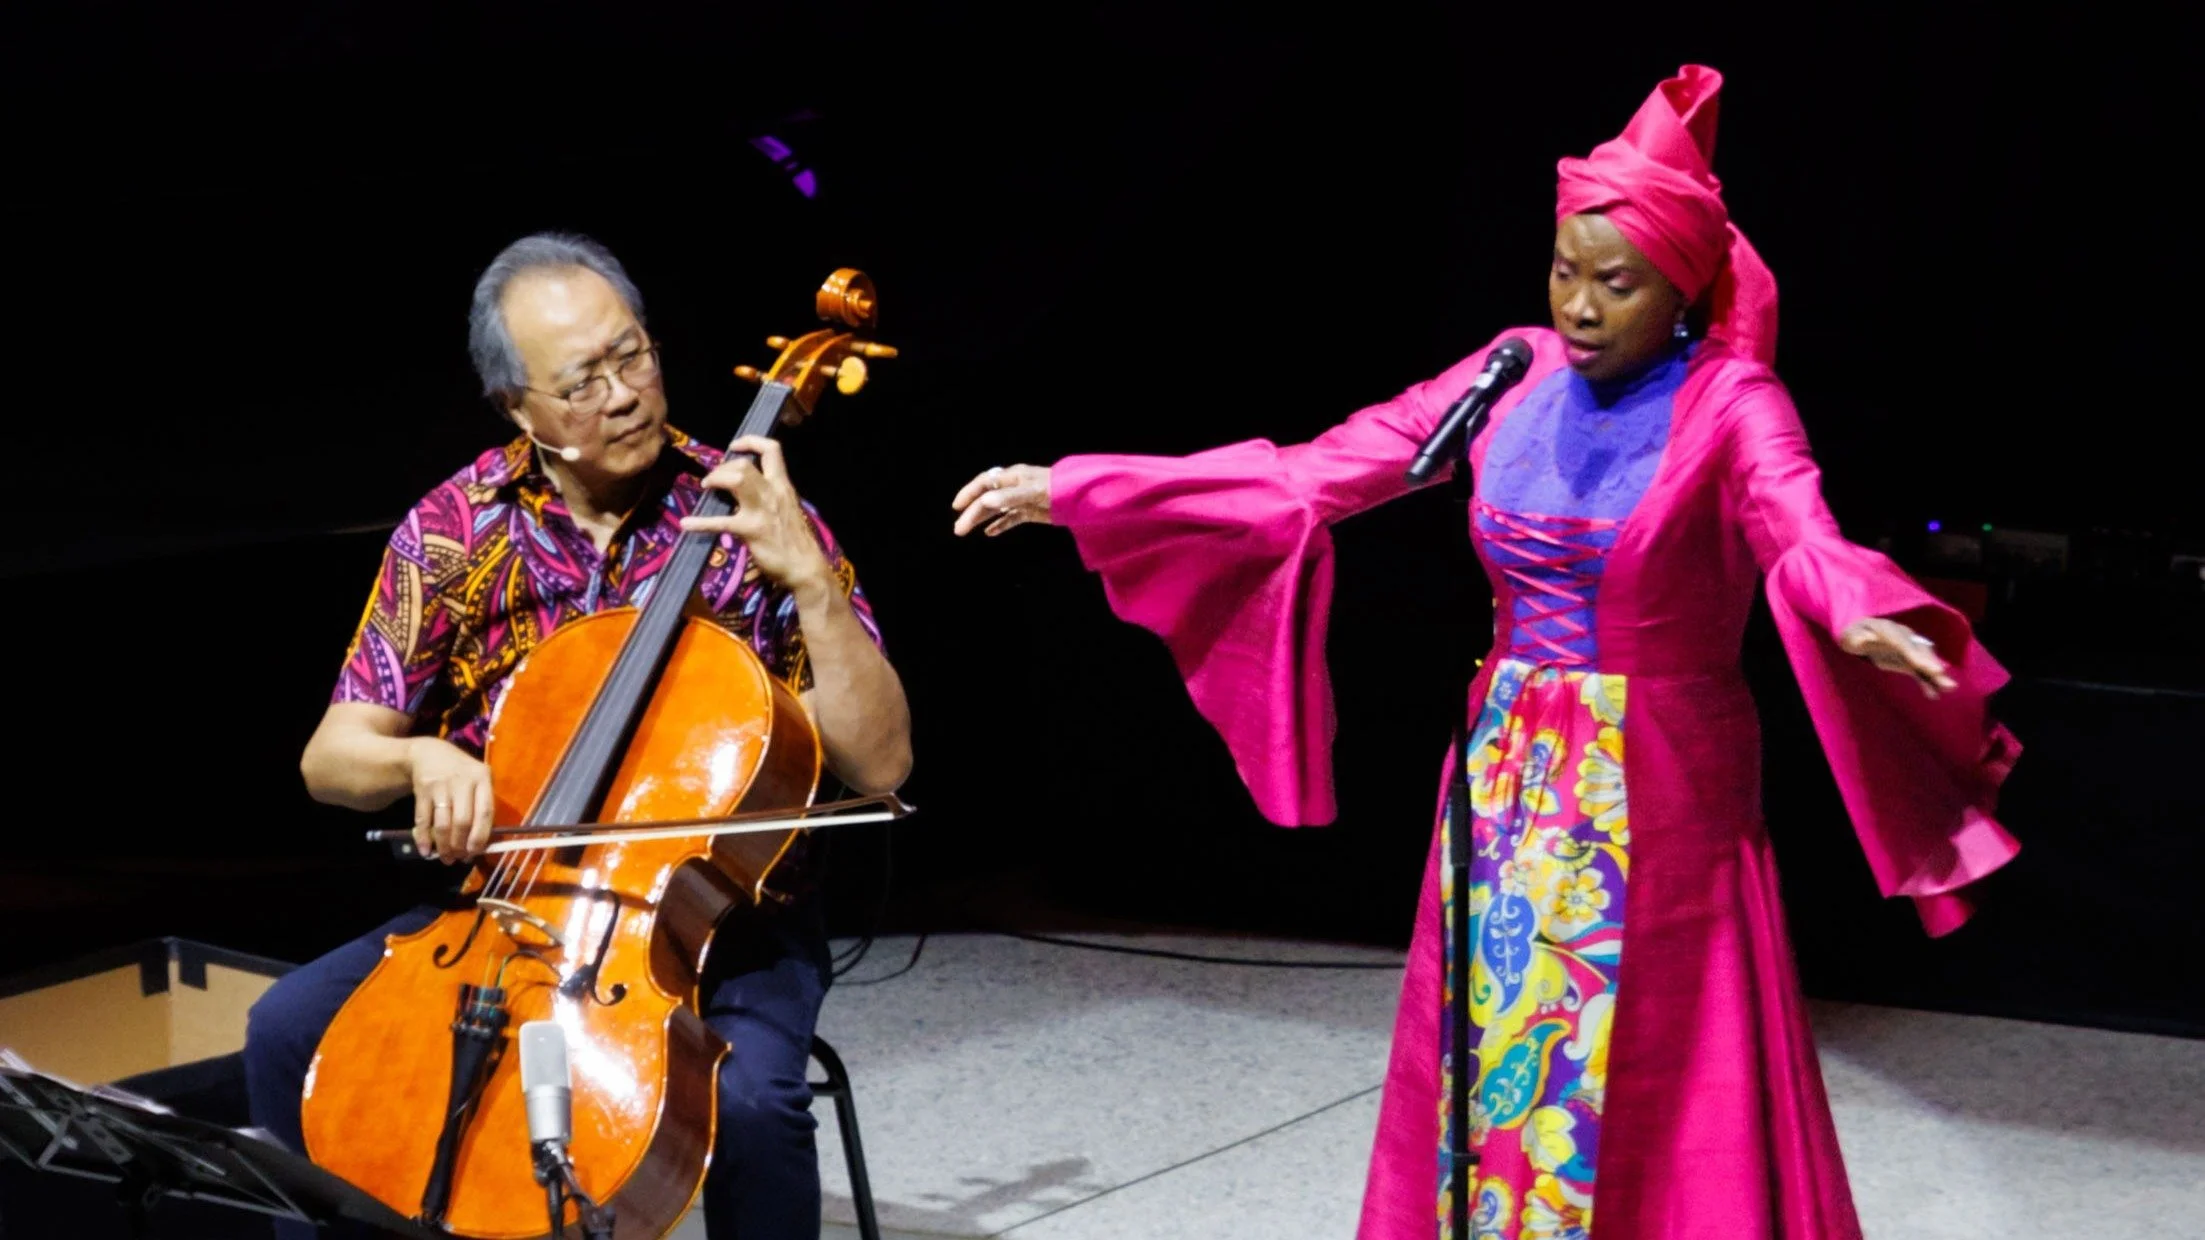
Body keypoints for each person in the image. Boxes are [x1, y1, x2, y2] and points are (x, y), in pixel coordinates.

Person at [950, 66, 2019, 1239]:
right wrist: (1085, 489)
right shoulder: (1509, 371)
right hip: (1510, 763)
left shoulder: (1732, 401)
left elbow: (1797, 526)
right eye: (1566, 270)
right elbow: (1317, 470)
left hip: (1660, 777)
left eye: (1618, 284)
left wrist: (1860, 611)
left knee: (1652, 1048)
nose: (1580, 305)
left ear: (1680, 292)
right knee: (1500, 1027)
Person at [244, 232, 912, 1240]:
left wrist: (810, 583)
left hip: (726, 925)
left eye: (632, 355)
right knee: (286, 1029)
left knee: (756, 1105)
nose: (626, 394)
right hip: (507, 910)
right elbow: (329, 761)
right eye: (581, 381)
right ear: (519, 408)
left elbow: (882, 759)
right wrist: (421, 757)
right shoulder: (455, 530)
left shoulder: (750, 513)